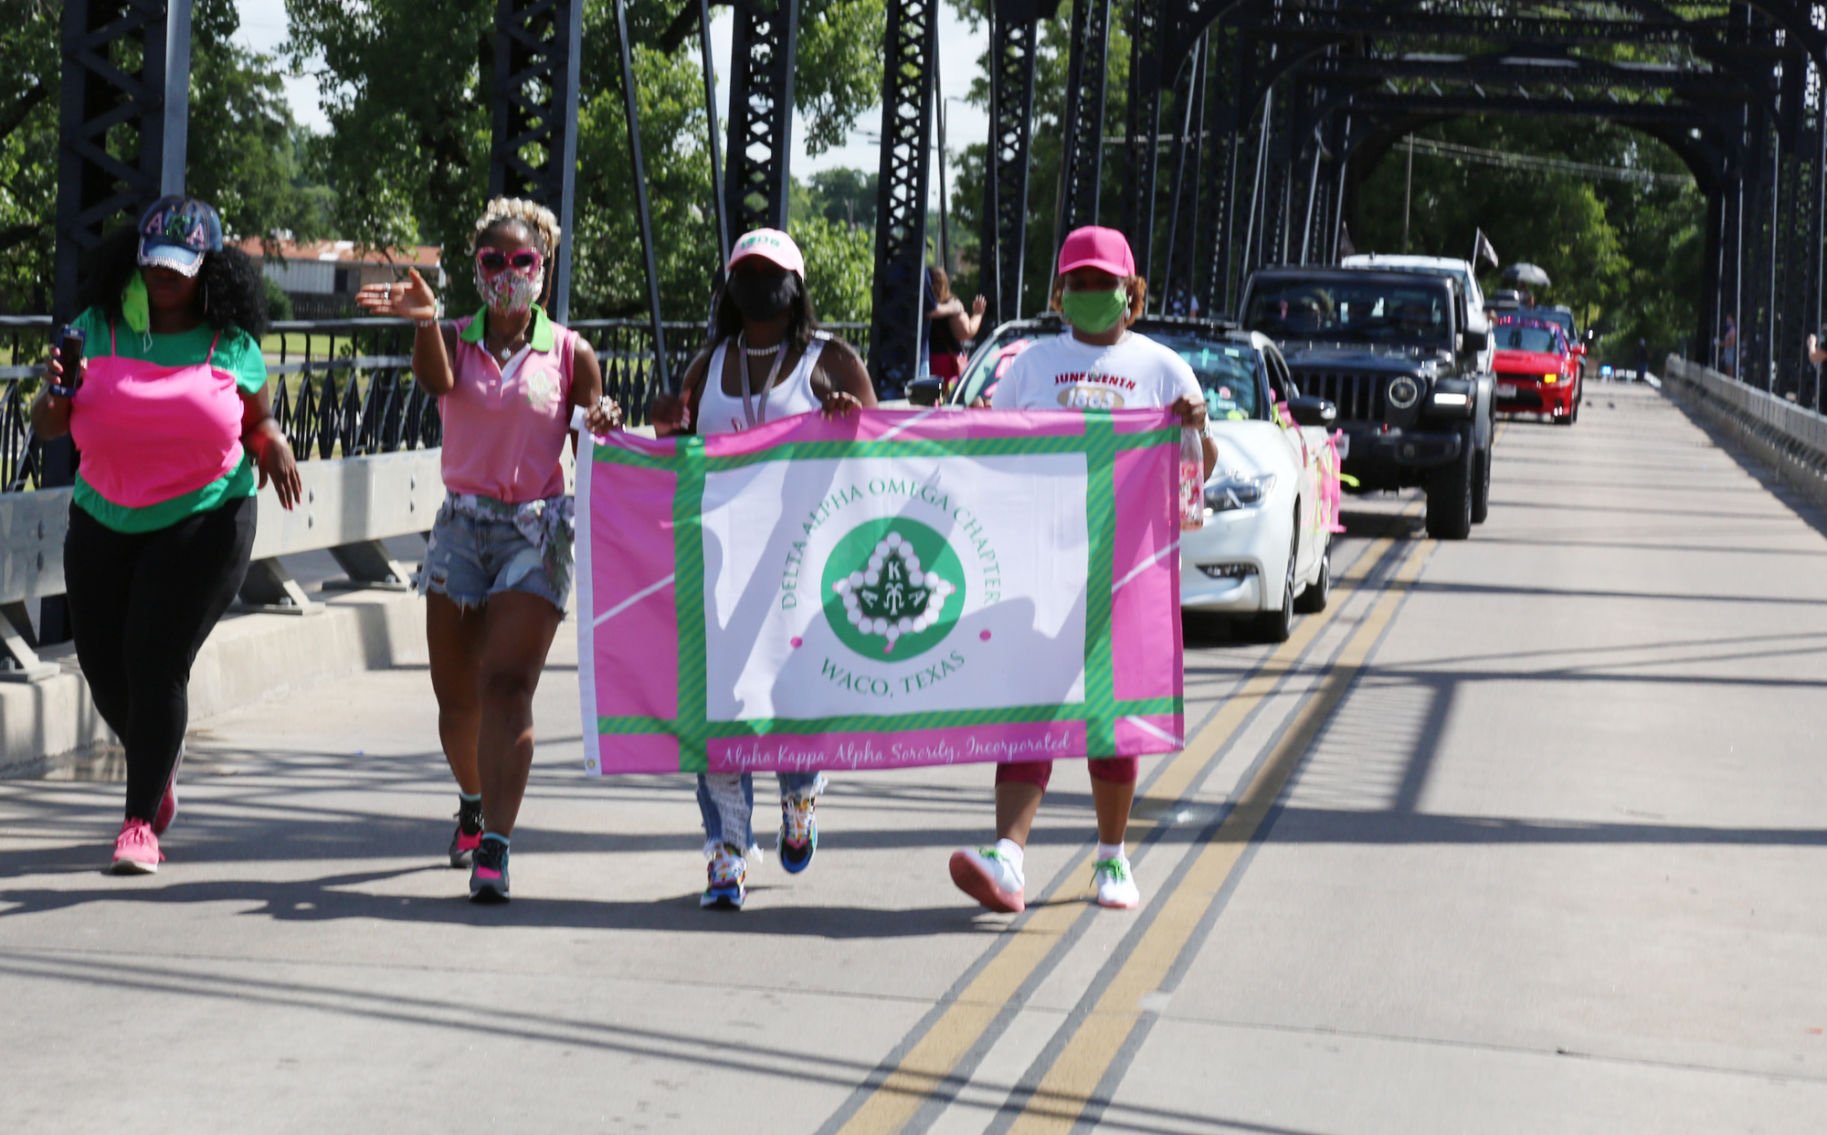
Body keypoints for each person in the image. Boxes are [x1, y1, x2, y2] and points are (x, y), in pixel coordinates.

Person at [355, 198, 618, 903]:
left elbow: (594, 440)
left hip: (535, 528)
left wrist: (604, 421)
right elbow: (436, 383)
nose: (508, 273)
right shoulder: (451, 339)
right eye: (493, 261)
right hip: (461, 525)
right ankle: (472, 801)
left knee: (509, 686)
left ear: (544, 268)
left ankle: (496, 844)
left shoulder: (569, 352)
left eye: (521, 262)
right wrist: (421, 320)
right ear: (477, 268)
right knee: (457, 699)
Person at [29, 195, 302, 873]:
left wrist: (272, 443)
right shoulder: (96, 329)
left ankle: (138, 822)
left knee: (154, 659)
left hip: (205, 517)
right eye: (154, 265)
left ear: (210, 270)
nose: (164, 278)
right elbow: (47, 425)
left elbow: (255, 420)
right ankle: (160, 757)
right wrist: (57, 392)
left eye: (180, 268)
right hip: (103, 514)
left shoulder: (230, 345)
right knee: (100, 664)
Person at [949, 225, 1215, 913]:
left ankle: (1111, 857)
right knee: (1027, 711)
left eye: (1106, 283)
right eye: (1081, 282)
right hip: (1038, 567)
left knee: (1109, 718)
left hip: (1121, 574)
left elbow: (1193, 484)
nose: (1093, 294)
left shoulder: (1162, 369)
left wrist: (1194, 430)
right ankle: (1007, 858)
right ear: (1059, 293)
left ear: (1133, 292)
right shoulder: (1032, 365)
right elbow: (992, 457)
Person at [649, 228, 876, 910]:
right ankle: (725, 852)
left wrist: (848, 415)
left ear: (795, 284)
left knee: (791, 704)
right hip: (718, 565)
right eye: (746, 271)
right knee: (717, 711)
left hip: (803, 570)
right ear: (730, 286)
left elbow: (882, 438)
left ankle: (800, 791)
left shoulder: (827, 355)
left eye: (770, 271)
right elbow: (678, 456)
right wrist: (664, 428)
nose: (758, 282)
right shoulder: (707, 363)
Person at [926, 266, 986, 396]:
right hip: (948, 363)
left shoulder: (919, 304)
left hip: (927, 360)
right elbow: (966, 331)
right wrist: (978, 314)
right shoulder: (952, 305)